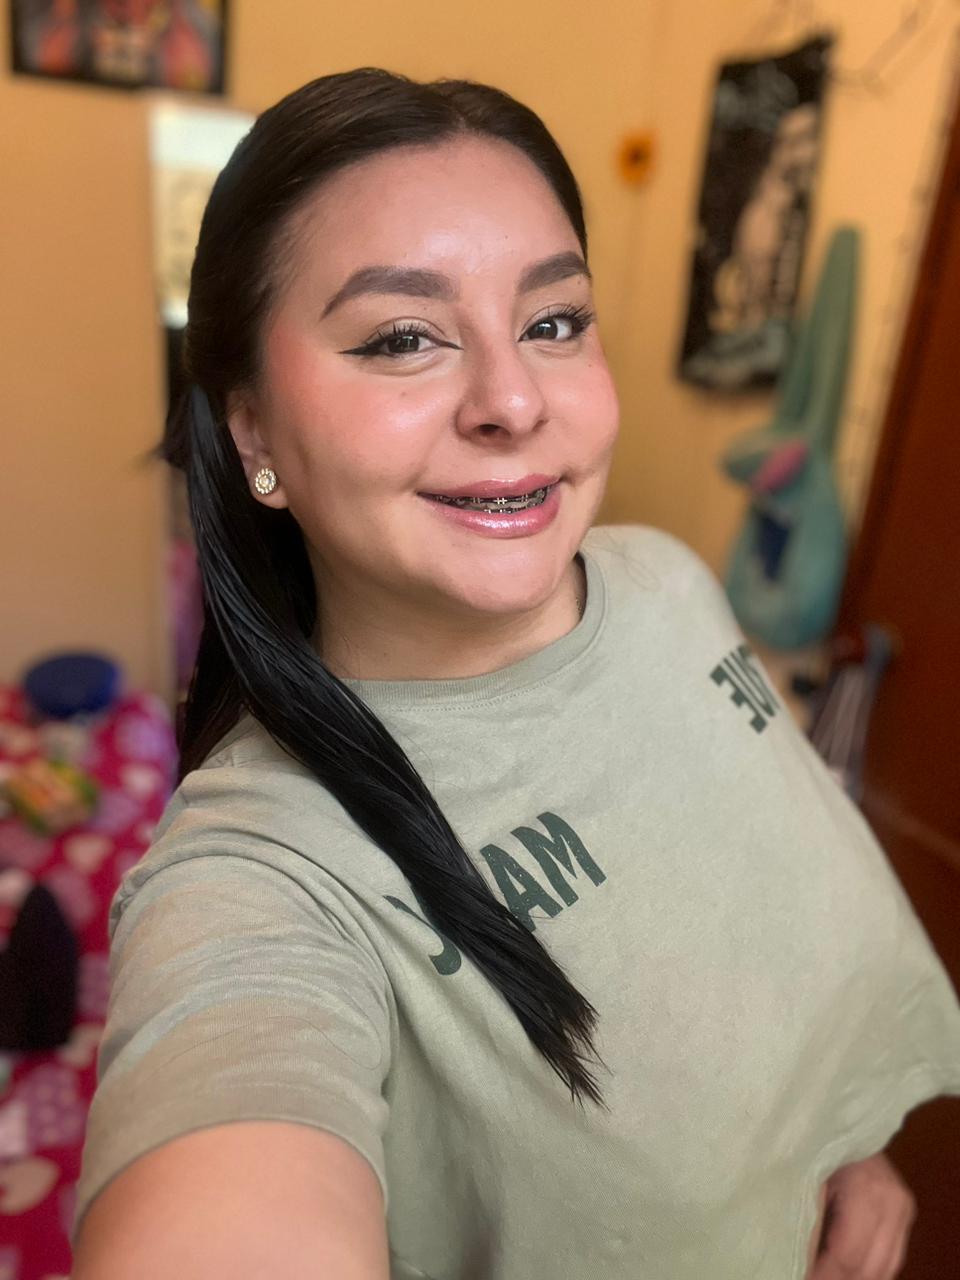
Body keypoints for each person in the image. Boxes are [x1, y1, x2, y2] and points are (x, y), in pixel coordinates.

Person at [72, 69, 960, 1280]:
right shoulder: (261, 877)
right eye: (403, 337)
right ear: (254, 430)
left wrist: (846, 1141)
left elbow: (757, 935)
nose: (513, 399)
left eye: (553, 321)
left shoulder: (665, 580)